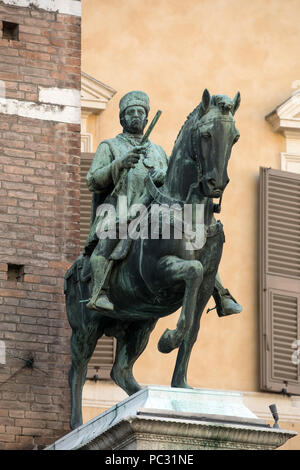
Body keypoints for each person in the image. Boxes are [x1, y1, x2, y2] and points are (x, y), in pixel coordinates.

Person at [85, 90, 242, 317]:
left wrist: (163, 174)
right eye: (130, 112)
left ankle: (220, 292)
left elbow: (173, 179)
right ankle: (100, 292)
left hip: (155, 209)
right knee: (109, 237)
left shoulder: (157, 151)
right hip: (123, 208)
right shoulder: (109, 147)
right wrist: (119, 164)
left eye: (140, 112)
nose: (136, 116)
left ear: (147, 118)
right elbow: (92, 180)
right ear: (122, 118)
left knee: (198, 236)